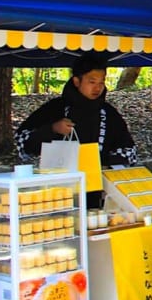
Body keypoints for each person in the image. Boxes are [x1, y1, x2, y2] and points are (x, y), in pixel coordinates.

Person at [14, 51, 137, 206]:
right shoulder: (55, 108)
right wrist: (52, 129)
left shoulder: (108, 113)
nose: (97, 88)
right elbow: (21, 141)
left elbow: (129, 152)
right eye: (92, 82)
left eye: (101, 82)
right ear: (77, 81)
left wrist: (100, 162)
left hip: (96, 195)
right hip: (58, 194)